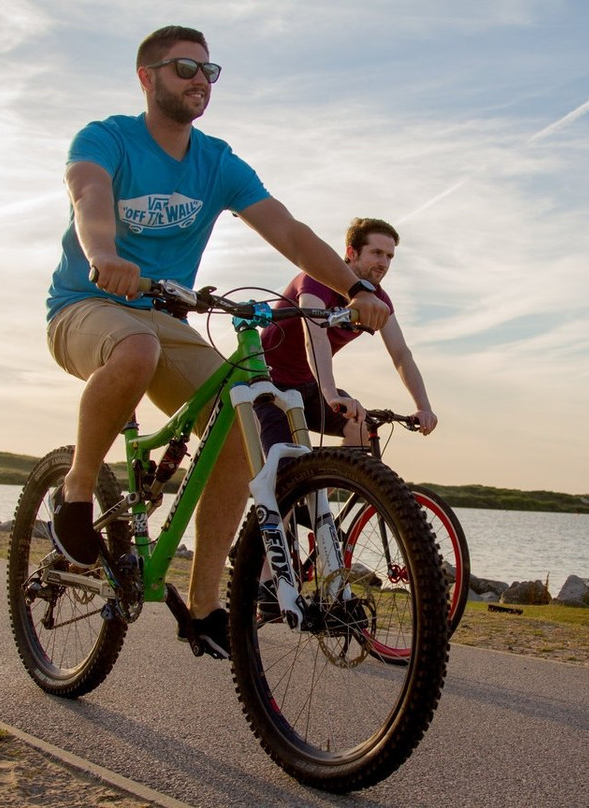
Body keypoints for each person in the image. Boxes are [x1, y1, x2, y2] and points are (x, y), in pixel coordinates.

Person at [44, 25, 389, 659]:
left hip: (165, 316)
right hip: (86, 305)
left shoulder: (217, 160)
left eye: (208, 71)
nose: (199, 80)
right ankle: (78, 490)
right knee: (136, 351)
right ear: (147, 78)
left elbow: (288, 229)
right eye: (183, 69)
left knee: (242, 417)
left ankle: (204, 606)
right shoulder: (106, 138)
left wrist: (350, 289)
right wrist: (104, 254)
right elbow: (88, 197)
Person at [255, 217, 437, 454]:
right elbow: (314, 337)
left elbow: (401, 354)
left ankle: (322, 490)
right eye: (377, 253)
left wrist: (423, 407)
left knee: (359, 428)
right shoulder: (316, 278)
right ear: (352, 252)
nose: (384, 263)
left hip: (308, 384)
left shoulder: (377, 301)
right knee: (285, 460)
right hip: (266, 382)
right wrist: (331, 394)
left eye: (389, 256)